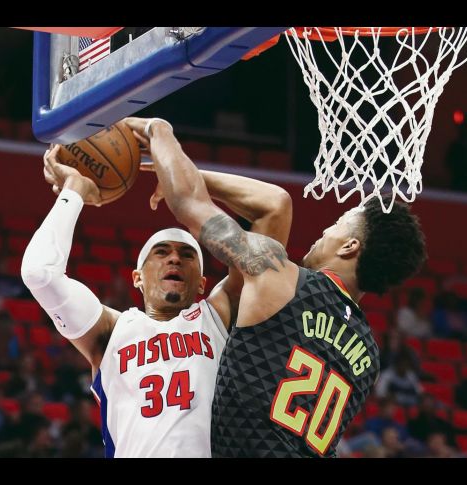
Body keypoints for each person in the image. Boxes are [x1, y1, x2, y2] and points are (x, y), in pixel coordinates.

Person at [119, 117, 427, 457]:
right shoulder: (369, 354)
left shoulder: (280, 276)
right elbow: (276, 204)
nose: (324, 232)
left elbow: (188, 203)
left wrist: (159, 133)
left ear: (349, 247)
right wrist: (177, 168)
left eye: (336, 225)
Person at [21, 144, 292, 458]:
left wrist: (185, 180)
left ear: (202, 283)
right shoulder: (110, 329)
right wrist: (74, 190)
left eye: (187, 255)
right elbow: (40, 273)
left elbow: (275, 207)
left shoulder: (218, 315)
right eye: (161, 252)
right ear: (137, 277)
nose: (174, 258)